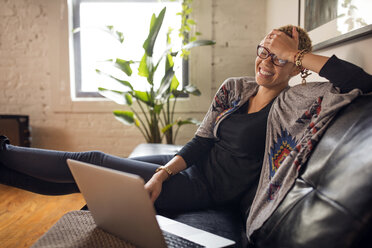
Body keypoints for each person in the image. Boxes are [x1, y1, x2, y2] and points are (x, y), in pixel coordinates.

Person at [0, 25, 371, 238]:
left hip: (206, 189)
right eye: (264, 51)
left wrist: (297, 53)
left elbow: (362, 83)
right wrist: (163, 171)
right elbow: (203, 139)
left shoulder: (297, 105)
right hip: (187, 166)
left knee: (94, 163)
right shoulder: (235, 88)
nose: (266, 62)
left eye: (279, 56)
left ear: (295, 66)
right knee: (88, 174)